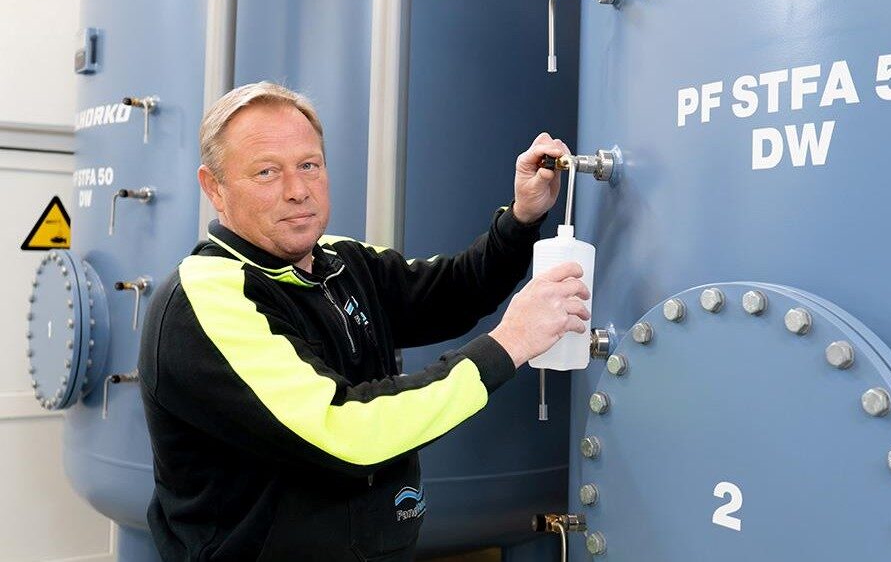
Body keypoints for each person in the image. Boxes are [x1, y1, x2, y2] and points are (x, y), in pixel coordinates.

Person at [138, 81, 590, 561]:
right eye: (267, 172)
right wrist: (509, 344)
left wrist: (521, 218)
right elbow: (344, 430)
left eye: (309, 165)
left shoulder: (339, 260)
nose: (297, 191)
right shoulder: (206, 299)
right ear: (215, 188)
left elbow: (453, 292)